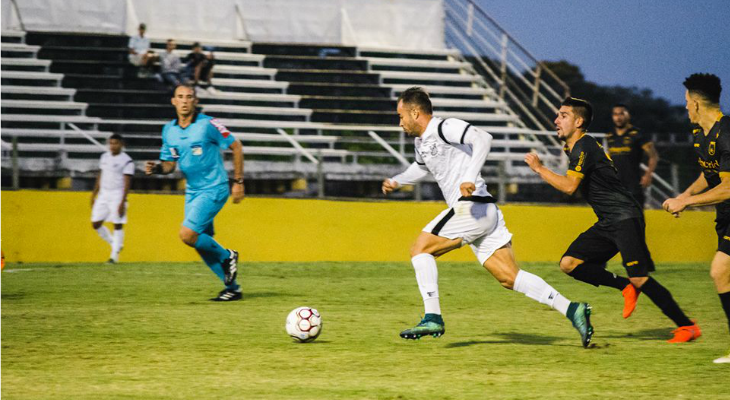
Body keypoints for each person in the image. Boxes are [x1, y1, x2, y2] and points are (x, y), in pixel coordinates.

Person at [382, 87, 594, 347]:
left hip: (471, 207)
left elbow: (483, 138)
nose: (399, 121)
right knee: (509, 277)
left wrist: (470, 176)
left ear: (415, 112)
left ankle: (432, 315)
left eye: (401, 115)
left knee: (420, 250)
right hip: (485, 212)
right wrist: (397, 179)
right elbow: (420, 167)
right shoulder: (421, 142)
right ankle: (573, 310)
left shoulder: (444, 127)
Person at [524, 97, 700, 343]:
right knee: (569, 263)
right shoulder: (574, 147)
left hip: (625, 216)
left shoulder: (584, 145)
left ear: (579, 121)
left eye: (563, 115)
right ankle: (625, 287)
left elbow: (569, 187)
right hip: (609, 220)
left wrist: (539, 168)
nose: (556, 120)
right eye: (557, 115)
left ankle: (687, 327)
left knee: (640, 277)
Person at [144, 84, 244, 301]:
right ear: (173, 101)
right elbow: (170, 164)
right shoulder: (168, 130)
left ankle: (227, 256)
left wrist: (238, 182)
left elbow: (236, 146)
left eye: (189, 97)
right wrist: (158, 169)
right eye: (180, 97)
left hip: (214, 188)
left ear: (195, 101)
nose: (184, 101)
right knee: (200, 242)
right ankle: (233, 289)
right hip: (192, 192)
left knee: (187, 234)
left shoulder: (208, 124)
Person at [662, 73, 730, 362]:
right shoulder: (701, 134)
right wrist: (683, 197)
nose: (685, 107)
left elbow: (728, 187)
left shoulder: (727, 133)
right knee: (723, 274)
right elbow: (709, 175)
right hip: (725, 216)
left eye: (687, 102)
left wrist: (687, 201)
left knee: (720, 271)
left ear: (697, 104)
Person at [91, 134, 134, 264]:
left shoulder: (127, 161)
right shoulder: (104, 157)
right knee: (95, 223)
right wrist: (94, 193)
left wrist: (122, 201)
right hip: (104, 194)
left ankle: (114, 256)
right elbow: (101, 175)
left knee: (117, 223)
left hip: (117, 195)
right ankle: (115, 243)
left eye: (115, 143)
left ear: (121, 144)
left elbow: (127, 182)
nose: (112, 146)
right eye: (111, 143)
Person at [606, 104, 659, 208]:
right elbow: (609, 158)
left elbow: (654, 156)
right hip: (615, 186)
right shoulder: (610, 136)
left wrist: (648, 175)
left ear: (628, 115)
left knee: (636, 220)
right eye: (615, 114)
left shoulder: (637, 134)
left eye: (621, 114)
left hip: (634, 186)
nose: (618, 117)